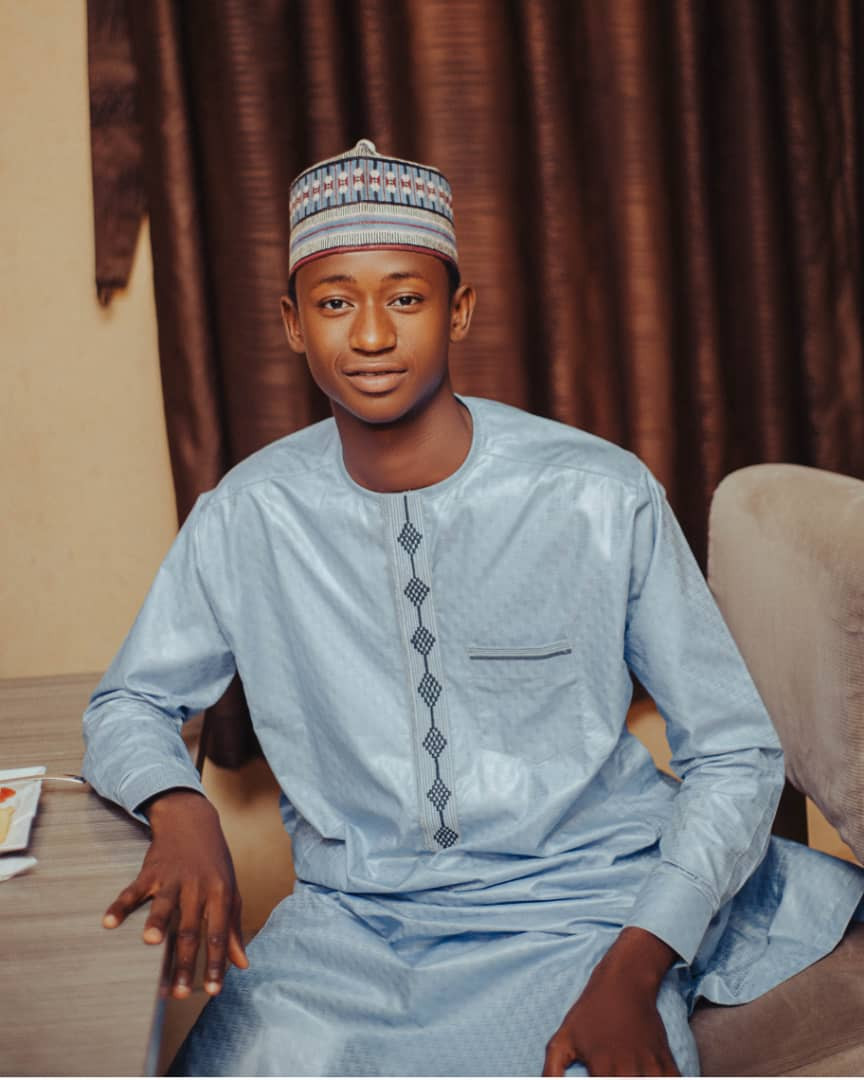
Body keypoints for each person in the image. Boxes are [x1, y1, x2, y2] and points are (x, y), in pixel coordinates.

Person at [82, 139, 864, 1077]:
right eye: (335, 303)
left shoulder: (597, 494)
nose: (372, 335)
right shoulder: (247, 517)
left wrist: (635, 964)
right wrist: (180, 807)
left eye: (406, 299)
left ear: (459, 310)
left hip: (592, 907)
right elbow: (126, 704)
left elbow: (735, 752)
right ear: (292, 324)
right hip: (355, 929)